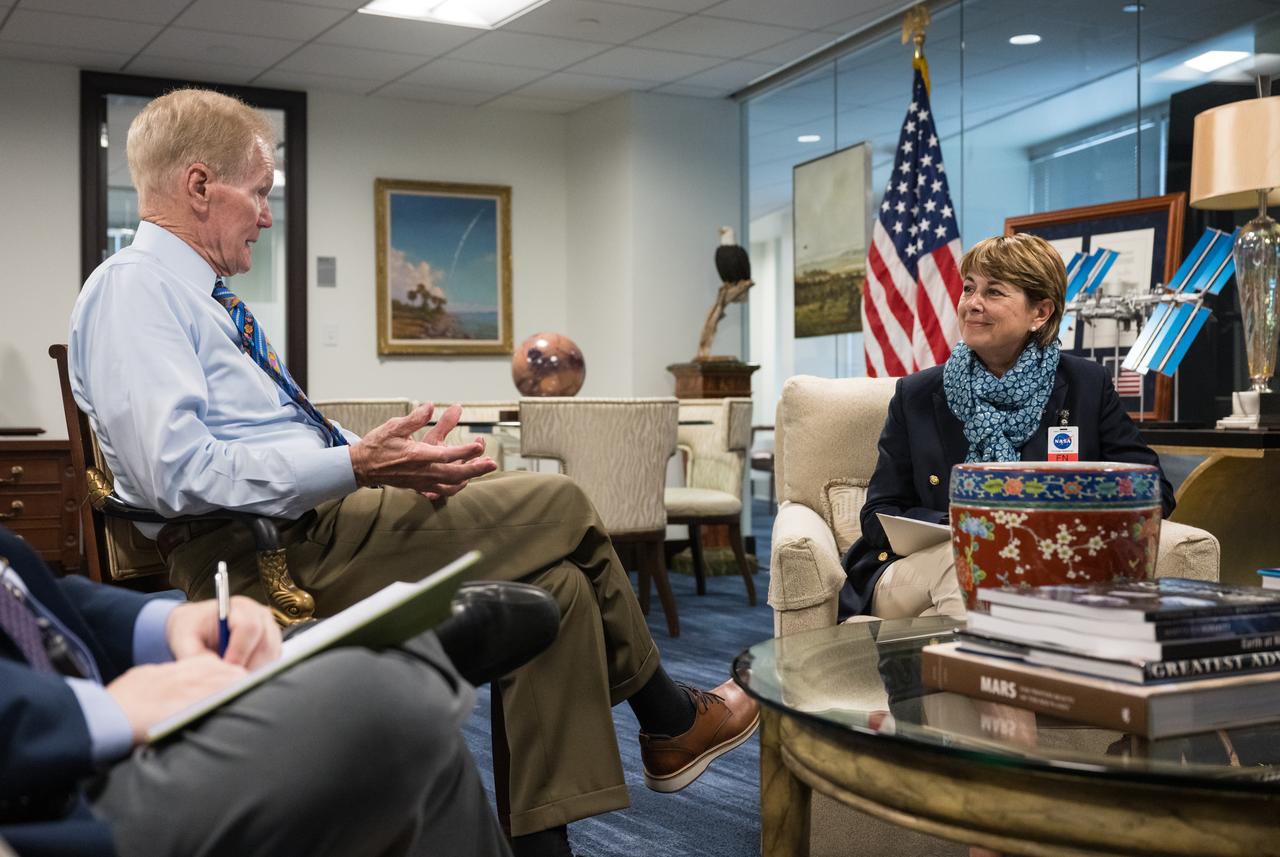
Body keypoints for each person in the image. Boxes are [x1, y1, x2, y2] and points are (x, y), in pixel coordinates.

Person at [68, 88, 758, 857]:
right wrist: (357, 464)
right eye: (260, 192)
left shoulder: (205, 300)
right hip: (268, 555)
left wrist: (388, 460)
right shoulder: (133, 290)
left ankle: (545, 846)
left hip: (318, 527)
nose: (266, 215)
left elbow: (269, 435)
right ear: (200, 186)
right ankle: (668, 717)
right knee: (562, 502)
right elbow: (175, 473)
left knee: (557, 590)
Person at [0, 525, 509, 857]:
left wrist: (167, 621)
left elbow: (16, 590)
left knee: (351, 666)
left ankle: (547, 822)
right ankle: (427, 661)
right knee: (375, 693)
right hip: (42, 809)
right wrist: (88, 713)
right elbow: (185, 471)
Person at [840, 232, 1176, 621]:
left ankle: (965, 672)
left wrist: (1059, 526)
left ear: (1041, 313)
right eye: (969, 289)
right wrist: (971, 527)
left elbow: (1153, 489)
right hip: (914, 568)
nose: (972, 304)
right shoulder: (916, 394)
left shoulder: (1086, 386)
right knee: (974, 561)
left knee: (955, 608)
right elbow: (878, 512)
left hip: (1043, 567)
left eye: (994, 292)